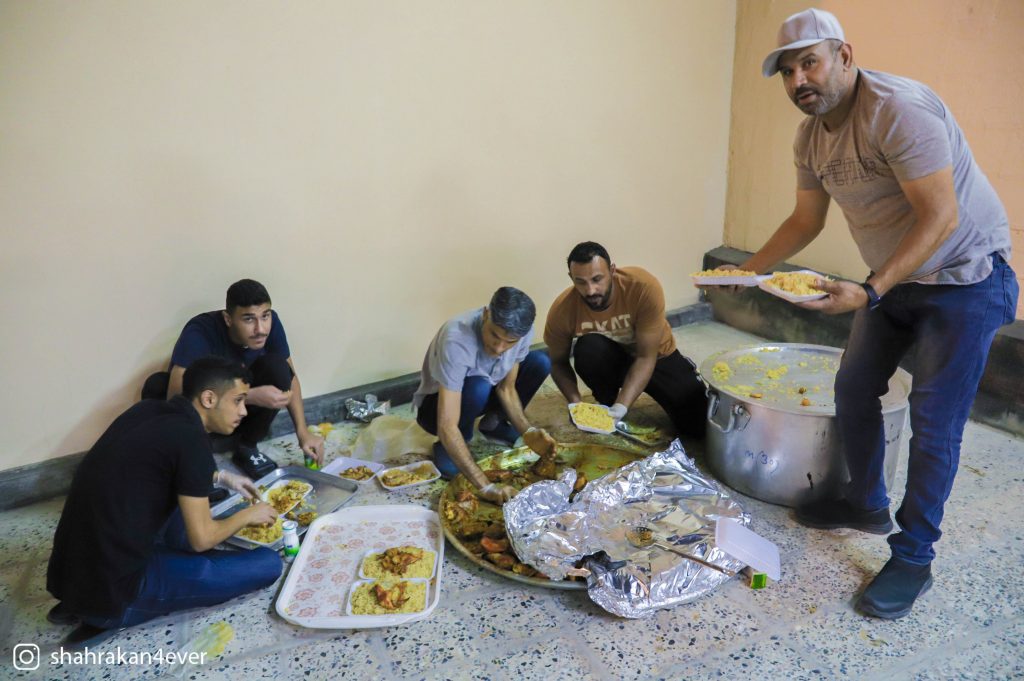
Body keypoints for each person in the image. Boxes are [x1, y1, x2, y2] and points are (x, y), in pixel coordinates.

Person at [718, 8, 1017, 619]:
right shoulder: (810, 138)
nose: (799, 80)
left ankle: (914, 556)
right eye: (787, 71)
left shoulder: (897, 110)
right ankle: (865, 503)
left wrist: (872, 289)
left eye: (810, 63)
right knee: (853, 386)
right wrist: (746, 272)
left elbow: (941, 216)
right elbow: (806, 219)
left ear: (844, 56)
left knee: (935, 421)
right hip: (895, 280)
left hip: (965, 278)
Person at [47, 356, 283, 645]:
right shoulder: (191, 440)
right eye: (238, 400)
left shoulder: (148, 410)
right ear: (209, 398)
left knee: (185, 522)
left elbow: (158, 468)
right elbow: (202, 539)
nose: (244, 411)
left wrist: (221, 477)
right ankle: (107, 615)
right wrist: (247, 515)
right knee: (267, 563)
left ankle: (87, 602)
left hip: (71, 575)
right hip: (116, 589)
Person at [142, 279, 324, 478]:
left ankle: (247, 447)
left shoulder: (271, 325)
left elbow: (291, 378)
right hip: (205, 421)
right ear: (228, 319)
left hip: (238, 418)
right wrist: (250, 396)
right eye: (248, 319)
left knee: (278, 368)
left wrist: (302, 432)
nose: (260, 329)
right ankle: (193, 454)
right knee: (157, 385)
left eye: (265, 316)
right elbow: (176, 394)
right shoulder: (201, 330)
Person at [545, 242, 708, 438]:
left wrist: (622, 406)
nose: (590, 290)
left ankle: (619, 406)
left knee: (699, 427)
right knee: (588, 348)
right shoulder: (563, 310)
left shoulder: (643, 287)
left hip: (657, 358)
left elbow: (646, 357)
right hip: (613, 360)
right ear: (571, 278)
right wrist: (576, 403)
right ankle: (607, 401)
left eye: (597, 279)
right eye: (581, 282)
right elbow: (558, 362)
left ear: (612, 271)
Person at [414, 286, 556, 504]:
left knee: (540, 362)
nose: (499, 348)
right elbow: (446, 424)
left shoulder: (522, 333)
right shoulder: (456, 339)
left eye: (509, 342)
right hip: (436, 410)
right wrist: (485, 486)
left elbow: (506, 388)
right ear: (486, 314)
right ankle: (448, 445)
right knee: (478, 386)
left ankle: (494, 423)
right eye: (494, 335)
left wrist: (528, 431)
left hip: (485, 389)